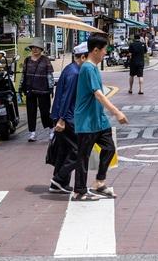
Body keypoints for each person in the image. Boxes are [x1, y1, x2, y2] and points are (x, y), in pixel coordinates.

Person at [72, 33, 128, 201]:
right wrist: (116, 112)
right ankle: (79, 191)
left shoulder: (94, 67)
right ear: (95, 50)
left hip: (98, 119)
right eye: (104, 50)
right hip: (87, 121)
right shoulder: (88, 68)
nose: (106, 53)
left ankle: (99, 182)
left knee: (109, 148)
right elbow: (98, 94)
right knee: (83, 156)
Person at [48, 42, 88, 194]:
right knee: (79, 149)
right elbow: (67, 97)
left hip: (62, 115)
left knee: (64, 150)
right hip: (67, 117)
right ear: (82, 57)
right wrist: (62, 119)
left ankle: (58, 184)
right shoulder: (75, 73)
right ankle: (59, 179)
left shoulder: (70, 69)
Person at [20, 42, 54, 142]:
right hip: (30, 89)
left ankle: (51, 130)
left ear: (41, 50)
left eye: (37, 48)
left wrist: (51, 88)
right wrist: (21, 86)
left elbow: (49, 75)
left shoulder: (45, 60)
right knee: (31, 112)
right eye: (33, 48)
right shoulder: (27, 60)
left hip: (43, 90)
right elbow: (24, 74)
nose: (35, 50)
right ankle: (32, 133)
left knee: (45, 112)